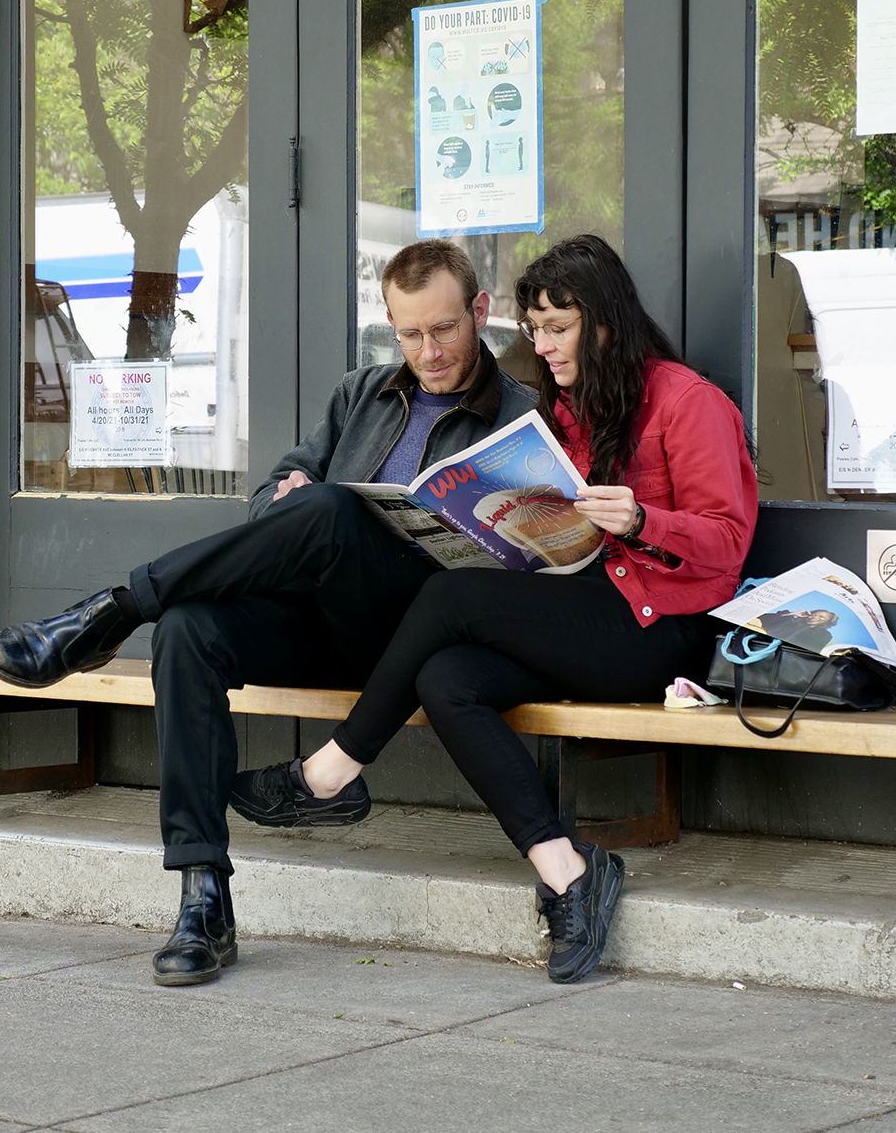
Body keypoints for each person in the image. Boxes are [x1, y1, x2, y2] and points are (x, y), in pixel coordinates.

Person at [0, 239, 535, 987]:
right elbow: (271, 490)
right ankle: (202, 893)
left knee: (335, 512)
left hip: (418, 642)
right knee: (187, 630)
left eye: (443, 331)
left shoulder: (521, 418)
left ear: (480, 312)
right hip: (321, 623)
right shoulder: (363, 394)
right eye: (409, 334)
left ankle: (109, 612)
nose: (427, 352)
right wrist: (285, 493)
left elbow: (527, 565)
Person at [235, 234, 759, 985]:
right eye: (534, 328)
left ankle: (330, 771)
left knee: (448, 596)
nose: (540, 346)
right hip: (591, 606)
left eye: (557, 327)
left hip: (663, 630)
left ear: (604, 322)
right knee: (448, 677)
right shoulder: (574, 409)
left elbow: (729, 546)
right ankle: (567, 871)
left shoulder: (687, 401)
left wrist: (645, 521)